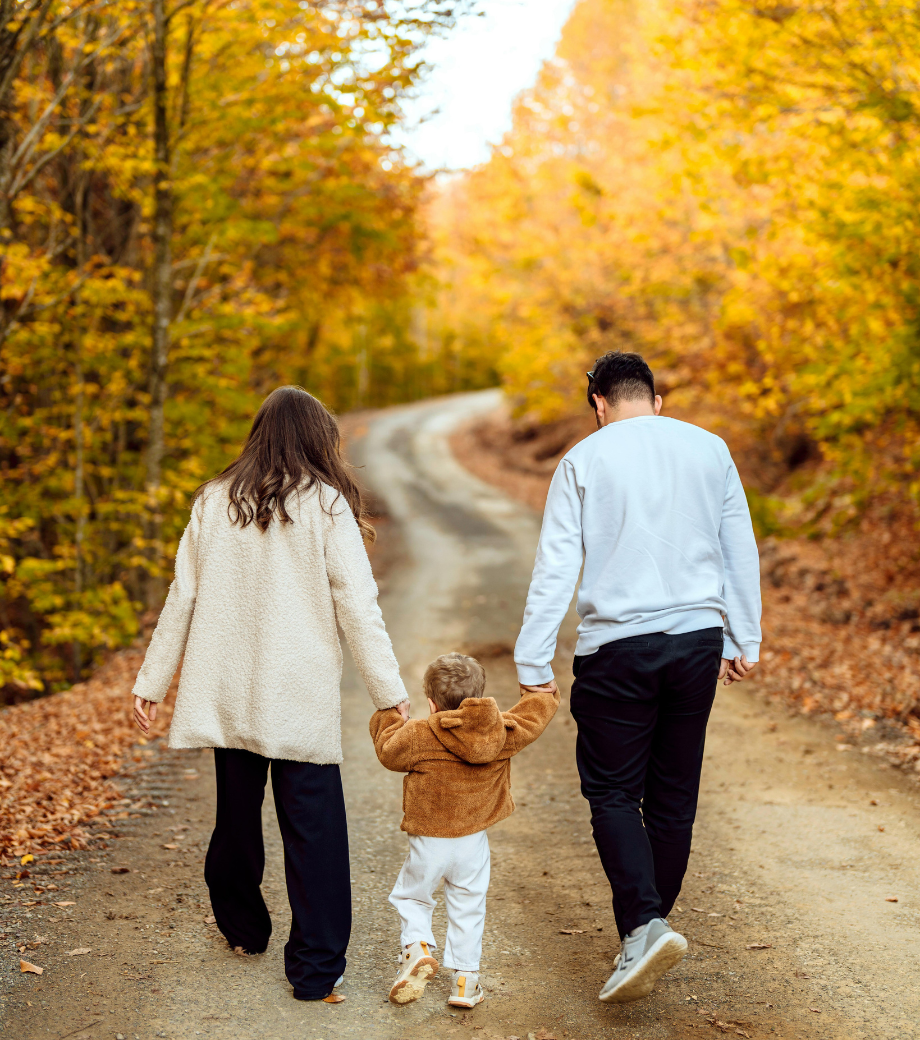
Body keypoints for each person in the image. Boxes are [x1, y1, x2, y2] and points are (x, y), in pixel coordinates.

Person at [131, 385, 409, 1002]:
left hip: (228, 692)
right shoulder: (328, 506)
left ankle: (243, 929)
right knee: (315, 831)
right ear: (317, 438)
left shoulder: (212, 502)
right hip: (296, 696)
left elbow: (183, 596)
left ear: (258, 435)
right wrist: (389, 691)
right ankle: (314, 970)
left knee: (236, 815)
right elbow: (357, 607)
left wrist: (152, 680)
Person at [513, 351, 762, 1004]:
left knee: (614, 794)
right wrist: (744, 637)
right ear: (655, 399)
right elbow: (739, 546)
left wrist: (533, 663)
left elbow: (556, 566)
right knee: (674, 796)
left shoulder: (584, 460)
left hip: (618, 647)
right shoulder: (710, 449)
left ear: (599, 403)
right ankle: (650, 925)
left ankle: (644, 927)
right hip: (696, 643)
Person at [370, 652, 559, 1009]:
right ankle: (465, 983)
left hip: (430, 839)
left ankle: (418, 947)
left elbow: (388, 752)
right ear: (479, 695)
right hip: (473, 843)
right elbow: (531, 719)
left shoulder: (418, 734)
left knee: (412, 897)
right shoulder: (499, 731)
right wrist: (542, 694)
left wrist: (391, 715)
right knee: (468, 905)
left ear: (430, 702)